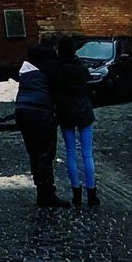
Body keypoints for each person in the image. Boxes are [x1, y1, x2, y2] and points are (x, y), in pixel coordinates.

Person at [14, 40, 68, 208]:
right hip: (41, 112)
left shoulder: (27, 71)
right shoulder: (51, 68)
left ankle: (41, 191)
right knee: (45, 154)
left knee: (34, 153)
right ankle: (47, 194)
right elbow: (61, 89)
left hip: (22, 110)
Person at [55, 36, 99, 208]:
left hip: (66, 112)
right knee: (87, 155)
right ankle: (92, 193)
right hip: (84, 111)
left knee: (71, 154)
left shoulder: (58, 69)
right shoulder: (80, 68)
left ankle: (76, 194)